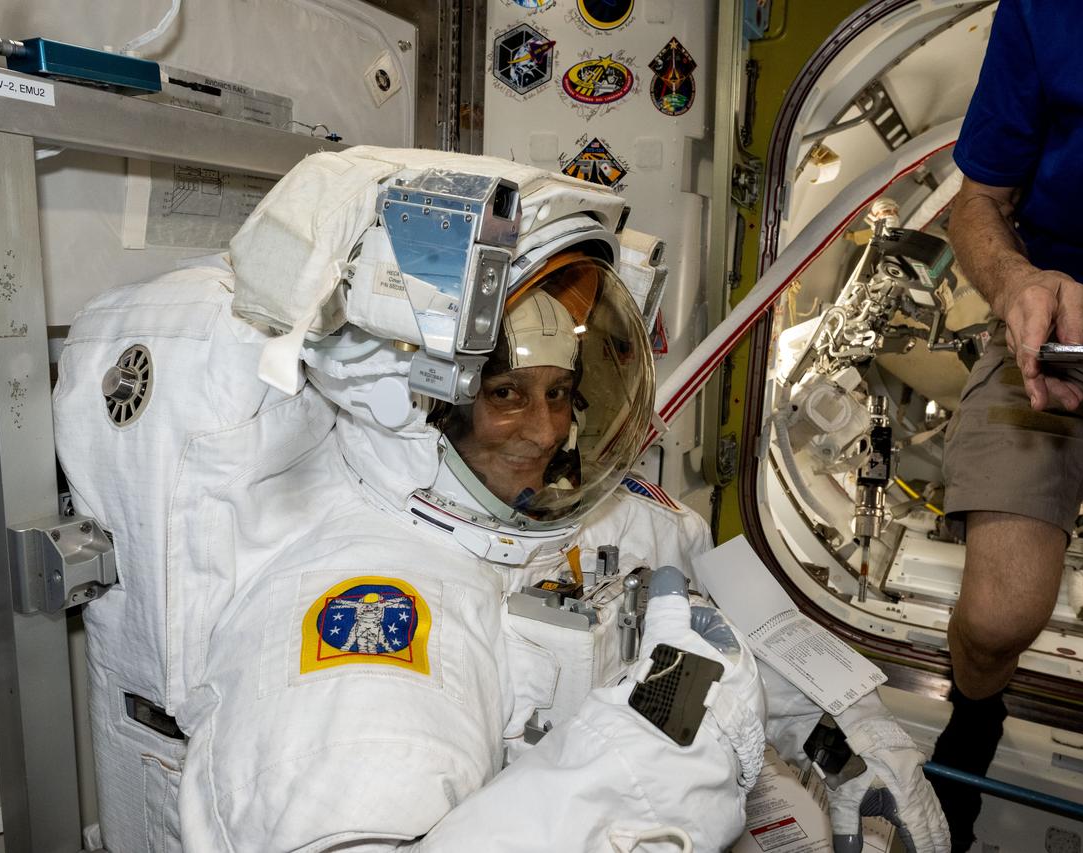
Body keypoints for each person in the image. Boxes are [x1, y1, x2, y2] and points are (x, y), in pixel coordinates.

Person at [56, 147, 948, 852]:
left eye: (561, 394)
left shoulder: (593, 510)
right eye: (508, 395)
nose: (548, 430)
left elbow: (727, 615)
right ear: (424, 412)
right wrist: (664, 752)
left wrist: (847, 737)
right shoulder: (370, 615)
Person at [935, 3, 1083, 849]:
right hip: (1060, 330)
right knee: (995, 617)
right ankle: (971, 724)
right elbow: (975, 202)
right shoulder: (1054, 9)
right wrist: (1017, 280)